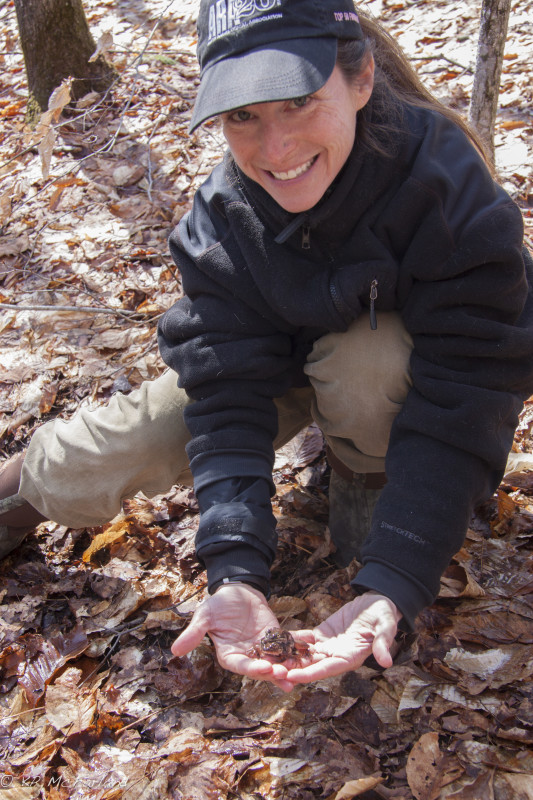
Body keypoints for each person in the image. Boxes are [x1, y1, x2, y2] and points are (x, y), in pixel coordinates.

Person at [2, 0, 533, 693]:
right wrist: (233, 569)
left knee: (366, 366)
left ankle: (361, 509)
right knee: (143, 435)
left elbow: (468, 390)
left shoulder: (448, 192)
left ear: (361, 79)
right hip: (273, 362)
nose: (274, 148)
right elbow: (225, 396)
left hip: (388, 381)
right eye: (242, 117)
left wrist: (393, 580)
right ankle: (13, 495)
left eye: (297, 103)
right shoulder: (222, 221)